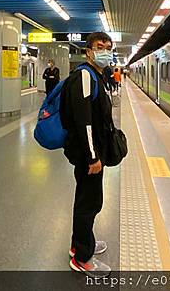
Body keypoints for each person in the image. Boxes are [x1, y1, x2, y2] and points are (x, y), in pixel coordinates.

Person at [60, 32, 114, 278]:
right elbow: (85, 122)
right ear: (88, 51)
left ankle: (80, 243)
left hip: (91, 152)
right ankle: (83, 258)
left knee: (86, 199)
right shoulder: (84, 75)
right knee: (88, 203)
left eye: (108, 47)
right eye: (100, 47)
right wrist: (93, 157)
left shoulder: (96, 75)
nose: (105, 51)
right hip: (87, 155)